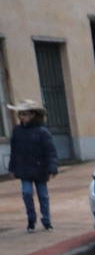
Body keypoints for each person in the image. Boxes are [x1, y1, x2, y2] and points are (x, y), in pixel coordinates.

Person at [5, 99, 58, 231]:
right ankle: (31, 221)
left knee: (43, 196)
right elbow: (14, 151)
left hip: (40, 169)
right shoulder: (17, 131)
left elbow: (50, 151)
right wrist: (12, 168)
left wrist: (52, 167)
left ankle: (46, 221)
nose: (22, 117)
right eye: (20, 114)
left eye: (24, 114)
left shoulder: (42, 131)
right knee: (27, 194)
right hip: (24, 169)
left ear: (32, 115)